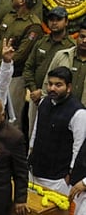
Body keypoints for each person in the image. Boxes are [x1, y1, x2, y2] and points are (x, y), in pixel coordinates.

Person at [0, 0, 43, 125]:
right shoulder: (9, 16)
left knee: (11, 116)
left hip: (15, 76)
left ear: (22, 1)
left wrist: (0, 63)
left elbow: (21, 54)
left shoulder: (33, 25)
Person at [29, 67, 86, 195]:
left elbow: (78, 147)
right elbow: (36, 131)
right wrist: (31, 153)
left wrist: (71, 174)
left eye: (58, 85)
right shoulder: (44, 102)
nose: (52, 88)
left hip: (58, 180)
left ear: (69, 87)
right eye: (50, 84)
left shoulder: (79, 112)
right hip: (35, 172)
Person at [23, 7, 73, 132]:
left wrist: (46, 92)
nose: (54, 22)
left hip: (57, 100)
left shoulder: (71, 46)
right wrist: (34, 90)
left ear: (66, 22)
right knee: (31, 133)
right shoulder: (41, 42)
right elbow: (28, 67)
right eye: (51, 19)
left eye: (58, 19)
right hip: (35, 98)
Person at [44, 20, 86, 103]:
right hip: (59, 108)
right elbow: (47, 83)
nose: (84, 41)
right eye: (82, 36)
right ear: (77, 36)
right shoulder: (61, 55)